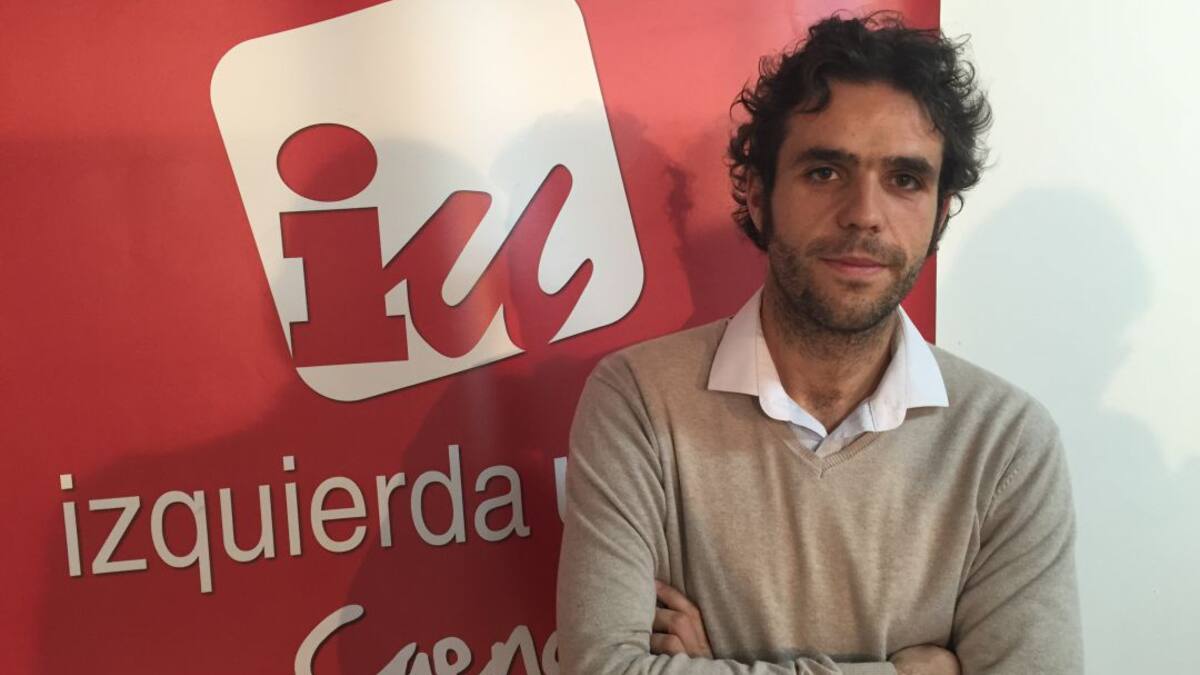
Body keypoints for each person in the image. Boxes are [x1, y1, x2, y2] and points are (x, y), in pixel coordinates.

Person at [556, 13, 1083, 675]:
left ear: (940, 214)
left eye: (905, 180)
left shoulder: (1006, 442)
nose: (864, 213)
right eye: (826, 172)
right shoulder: (639, 400)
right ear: (758, 195)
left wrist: (717, 665)